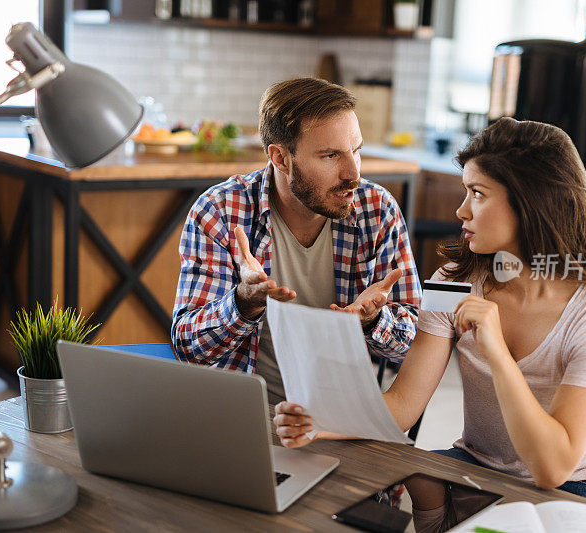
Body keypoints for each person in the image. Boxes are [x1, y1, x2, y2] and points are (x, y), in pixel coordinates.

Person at [273, 117, 586, 506]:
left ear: (531, 202)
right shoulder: (454, 282)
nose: (461, 210)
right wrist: (318, 422)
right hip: (474, 467)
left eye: (477, 193)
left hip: (576, 487)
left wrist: (496, 352)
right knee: (367, 499)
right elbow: (404, 406)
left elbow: (552, 469)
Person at [171, 77, 421, 403]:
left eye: (356, 151)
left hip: (344, 420)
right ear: (280, 158)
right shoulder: (219, 212)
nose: (353, 173)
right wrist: (242, 303)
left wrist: (375, 320)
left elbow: (414, 346)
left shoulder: (377, 211)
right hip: (247, 418)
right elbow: (189, 351)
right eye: (330, 155)